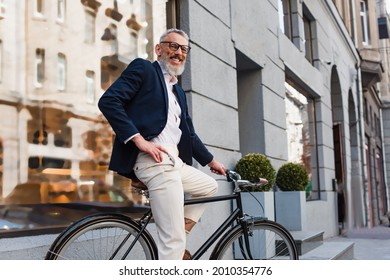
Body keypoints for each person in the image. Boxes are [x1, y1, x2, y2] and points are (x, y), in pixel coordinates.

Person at [98, 28, 226, 260]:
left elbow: (189, 134)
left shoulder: (178, 91)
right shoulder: (145, 69)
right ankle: (174, 242)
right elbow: (109, 101)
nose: (178, 52)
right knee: (172, 242)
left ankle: (177, 232)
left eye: (184, 49)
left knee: (209, 187)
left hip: (174, 163)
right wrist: (139, 140)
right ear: (159, 49)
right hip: (154, 162)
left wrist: (211, 161)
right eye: (173, 46)